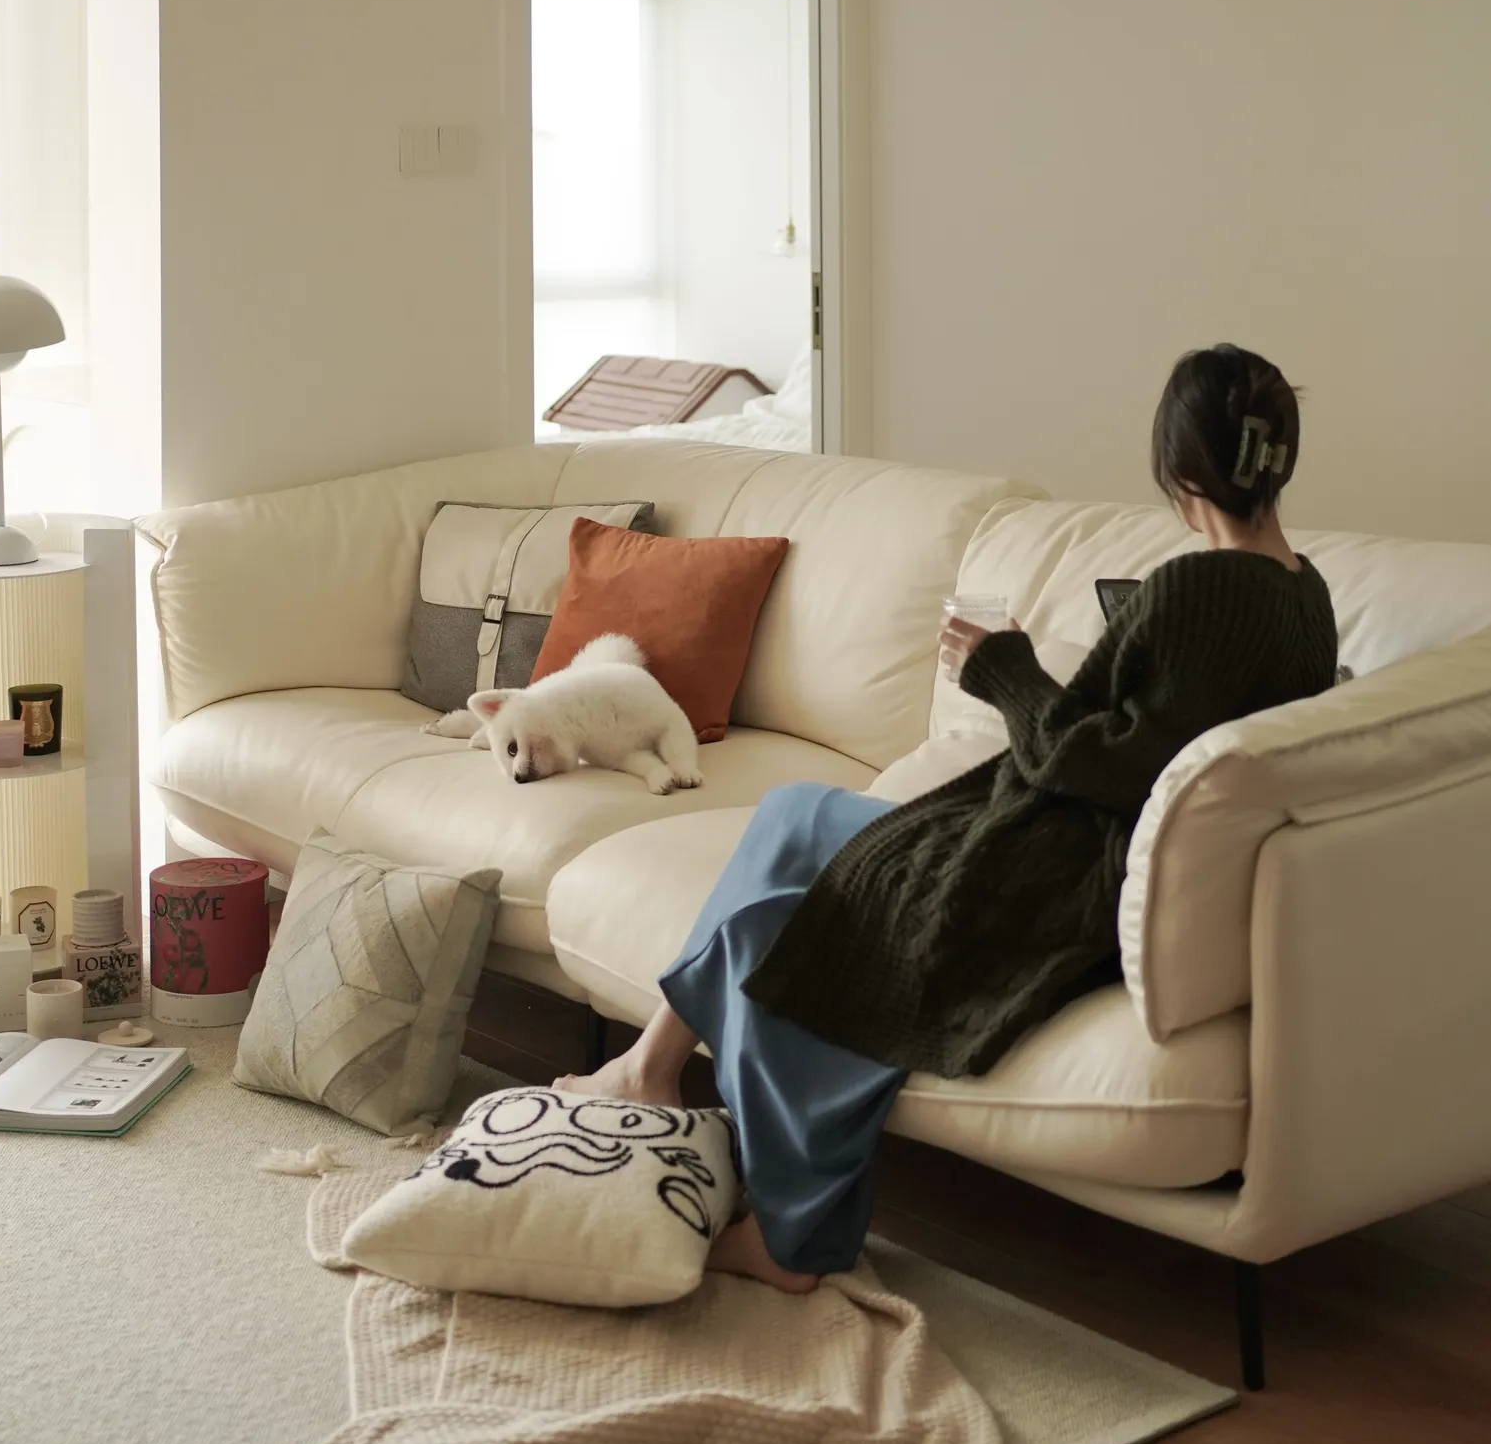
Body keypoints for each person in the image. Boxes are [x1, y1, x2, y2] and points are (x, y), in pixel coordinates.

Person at [557, 346, 1340, 1292]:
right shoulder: (1307, 597)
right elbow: (1148, 738)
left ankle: (793, 1240)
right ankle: (649, 1067)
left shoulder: (1196, 589)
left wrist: (999, 667)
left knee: (773, 939)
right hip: (1088, 845)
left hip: (1061, 867)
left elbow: (1091, 763)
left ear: (1176, 468)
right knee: (795, 813)